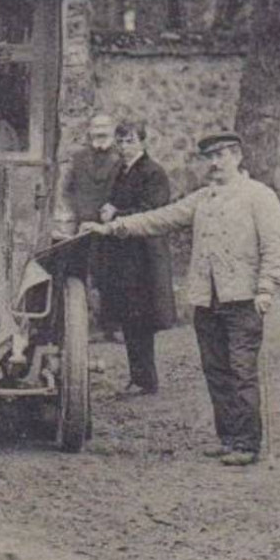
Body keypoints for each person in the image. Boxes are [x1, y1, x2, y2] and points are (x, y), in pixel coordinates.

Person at [86, 130, 280, 465]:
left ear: (238, 157)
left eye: (222, 156)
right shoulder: (203, 198)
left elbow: (275, 246)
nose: (215, 163)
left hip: (243, 300)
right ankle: (228, 438)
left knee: (242, 372)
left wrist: (266, 288)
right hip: (207, 300)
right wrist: (111, 228)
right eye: (210, 157)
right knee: (216, 370)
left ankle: (248, 444)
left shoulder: (259, 196)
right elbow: (161, 218)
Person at [98, 119, 176, 395]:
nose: (124, 146)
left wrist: (116, 214)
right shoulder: (121, 170)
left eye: (130, 140)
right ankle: (139, 377)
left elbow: (152, 211)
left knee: (141, 320)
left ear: (142, 142)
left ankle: (146, 379)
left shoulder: (153, 173)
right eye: (120, 141)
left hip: (144, 257)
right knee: (130, 318)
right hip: (124, 255)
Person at [62, 112, 120, 339]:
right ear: (89, 131)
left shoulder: (121, 158)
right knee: (77, 272)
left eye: (105, 126)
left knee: (110, 275)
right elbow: (66, 190)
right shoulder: (77, 157)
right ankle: (80, 327)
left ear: (113, 131)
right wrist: (74, 213)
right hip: (81, 226)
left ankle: (111, 326)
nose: (100, 131)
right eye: (96, 126)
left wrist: (115, 209)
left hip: (111, 226)